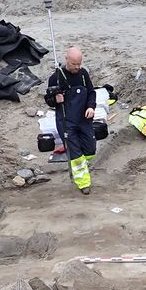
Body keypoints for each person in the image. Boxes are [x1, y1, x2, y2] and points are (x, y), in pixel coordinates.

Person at [45, 47, 97, 195]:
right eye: (74, 64)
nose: (77, 67)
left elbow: (91, 92)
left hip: (84, 119)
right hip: (66, 122)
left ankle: (79, 168)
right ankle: (83, 183)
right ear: (67, 59)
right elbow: (48, 100)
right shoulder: (55, 77)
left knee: (90, 149)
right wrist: (55, 99)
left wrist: (91, 107)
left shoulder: (83, 74)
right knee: (75, 154)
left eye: (79, 63)